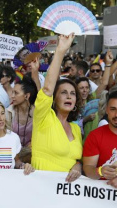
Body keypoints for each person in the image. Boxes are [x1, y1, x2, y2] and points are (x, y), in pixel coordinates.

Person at [31, 33, 83, 182]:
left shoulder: (76, 129)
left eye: (73, 94)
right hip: (43, 189)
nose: (69, 96)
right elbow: (47, 89)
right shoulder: (44, 118)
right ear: (54, 99)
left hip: (68, 194)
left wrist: (78, 166)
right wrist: (60, 51)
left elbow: (76, 159)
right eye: (64, 93)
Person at [7, 73, 37, 147]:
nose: (12, 96)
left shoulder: (37, 113)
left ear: (27, 96)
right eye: (12, 92)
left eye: (16, 93)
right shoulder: (8, 112)